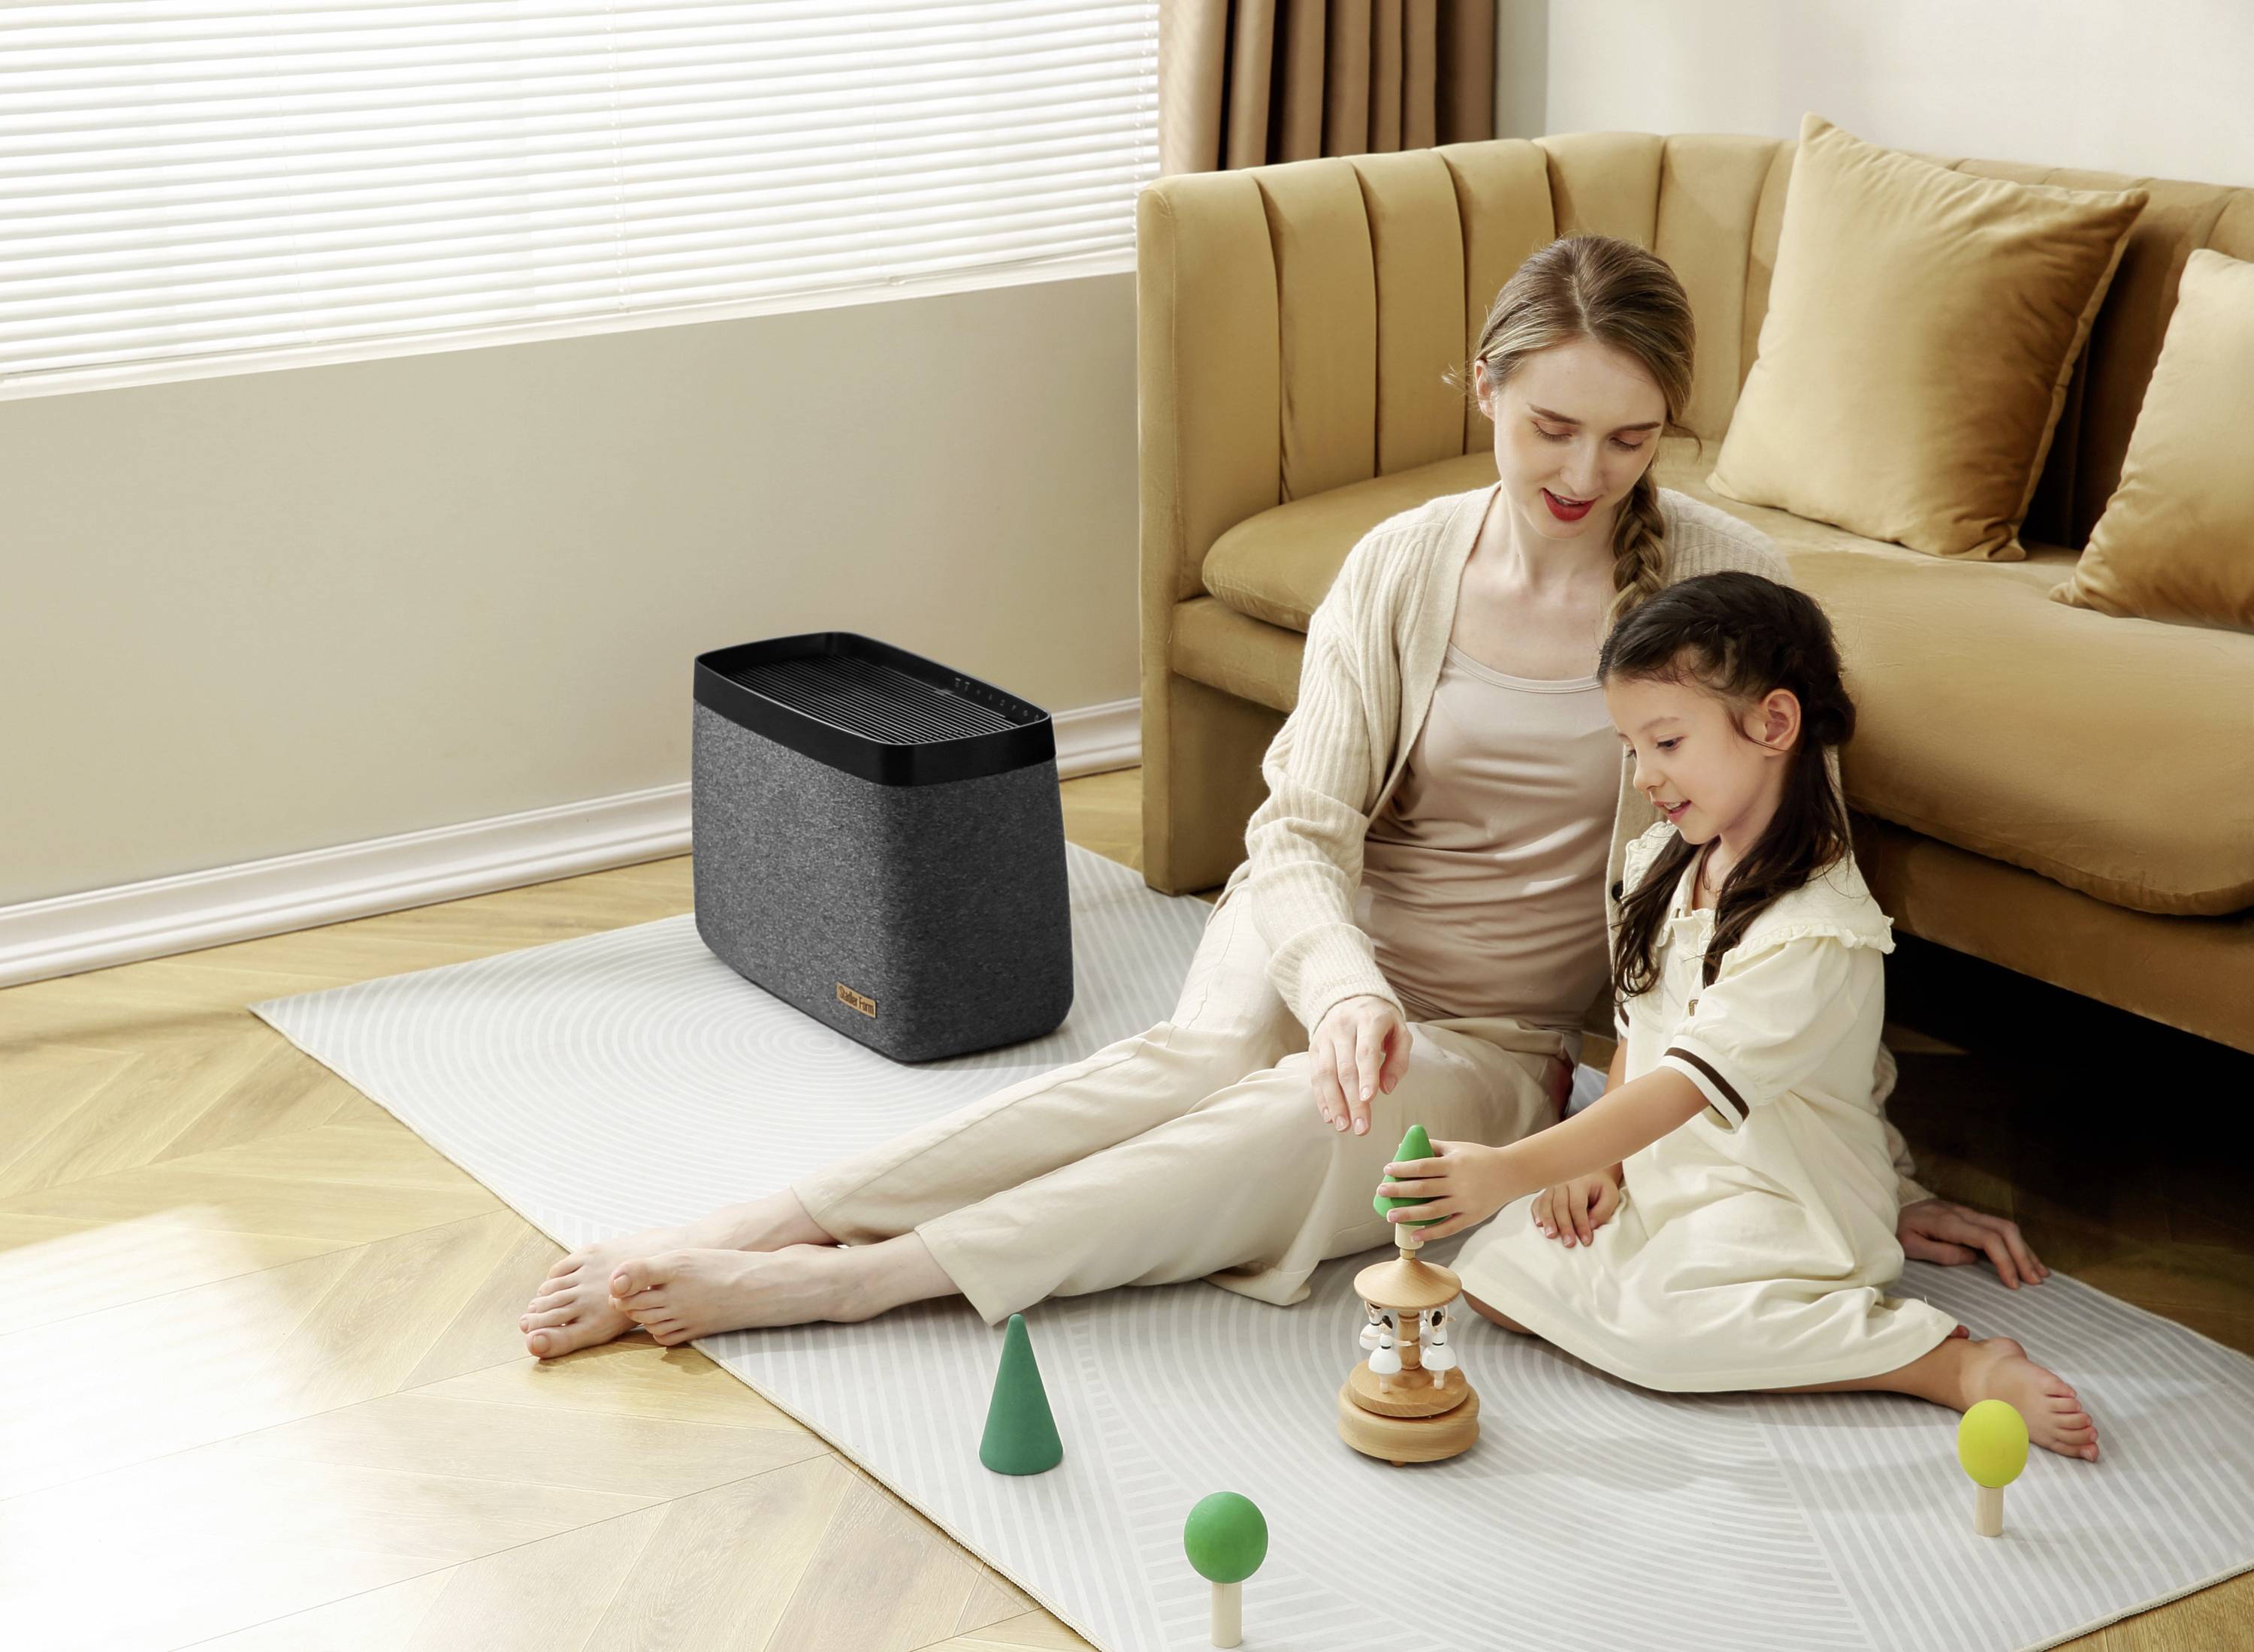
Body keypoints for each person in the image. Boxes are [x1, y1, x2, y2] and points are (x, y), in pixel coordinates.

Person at [518, 234, 2042, 1360]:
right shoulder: (1396, 567)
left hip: (1502, 1036)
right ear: (1486, 386)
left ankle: (867, 1278)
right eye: (1549, 426)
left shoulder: (1733, 588)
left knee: (1279, 1139)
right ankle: (777, 1217)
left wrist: (1860, 1170)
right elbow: (1300, 831)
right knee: (1186, 1066)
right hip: (1318, 944)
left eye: (1630, 436)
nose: (1585, 471)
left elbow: (1779, 914)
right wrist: (1343, 986)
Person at [1377, 572, 2098, 1460]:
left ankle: (1948, 1365)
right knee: (1493, 1278)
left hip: (1782, 1198)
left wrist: (1510, 1169)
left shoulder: (1817, 932)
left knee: (1663, 1337)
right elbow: (1643, 1032)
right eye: (1632, 747)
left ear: (1774, 725)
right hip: (1673, 1169)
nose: (1646, 777)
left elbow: (1683, 1087)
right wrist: (1603, 1160)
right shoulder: (1667, 862)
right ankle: (1667, 1263)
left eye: (1668, 742)